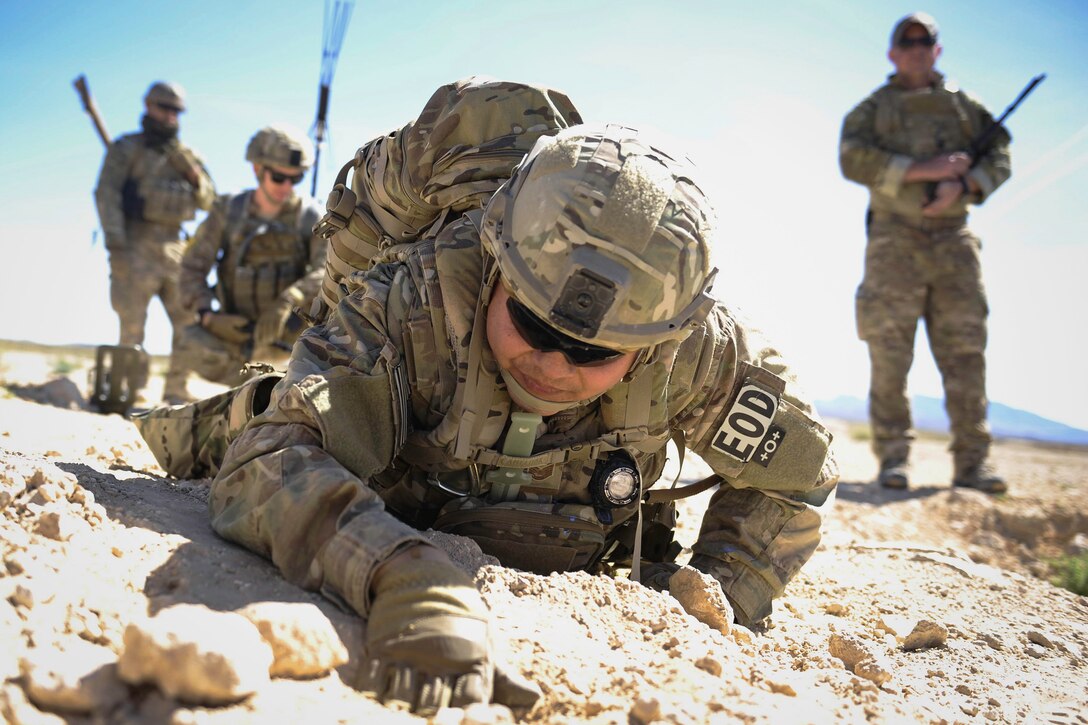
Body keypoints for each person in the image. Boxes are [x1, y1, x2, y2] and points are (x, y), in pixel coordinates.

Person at [134, 77, 838, 714]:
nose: (555, 364)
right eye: (532, 322)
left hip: (571, 536)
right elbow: (273, 458)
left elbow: (799, 475)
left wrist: (714, 597)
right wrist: (396, 570)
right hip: (393, 478)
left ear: (654, 341)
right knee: (252, 417)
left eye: (595, 352)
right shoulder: (412, 297)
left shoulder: (693, 349)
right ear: (494, 261)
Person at [839, 12, 1011, 493]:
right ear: (893, 52)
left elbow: (1000, 154)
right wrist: (921, 169)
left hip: (953, 241)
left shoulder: (966, 108)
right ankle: (895, 460)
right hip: (894, 239)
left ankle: (973, 464)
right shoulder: (874, 109)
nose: (916, 47)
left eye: (926, 41)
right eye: (907, 41)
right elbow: (851, 158)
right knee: (889, 352)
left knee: (965, 351)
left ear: (937, 50)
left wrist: (967, 184)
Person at [165, 126, 325, 403]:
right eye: (279, 177)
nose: (287, 187)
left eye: (296, 178)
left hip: (290, 335)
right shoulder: (228, 212)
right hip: (235, 335)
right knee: (188, 341)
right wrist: (207, 315)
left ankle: (287, 385)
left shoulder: (310, 215)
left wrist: (291, 298)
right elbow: (191, 268)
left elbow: (330, 268)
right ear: (257, 170)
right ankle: (249, 389)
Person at [94, 81, 216, 398]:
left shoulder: (188, 156)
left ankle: (176, 388)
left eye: (176, 110)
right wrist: (116, 245)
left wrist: (192, 175)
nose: (170, 116)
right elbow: (106, 196)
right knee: (131, 323)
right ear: (148, 106)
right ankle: (130, 389)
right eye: (164, 108)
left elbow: (209, 201)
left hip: (176, 248)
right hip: (135, 245)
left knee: (187, 322)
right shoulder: (126, 149)